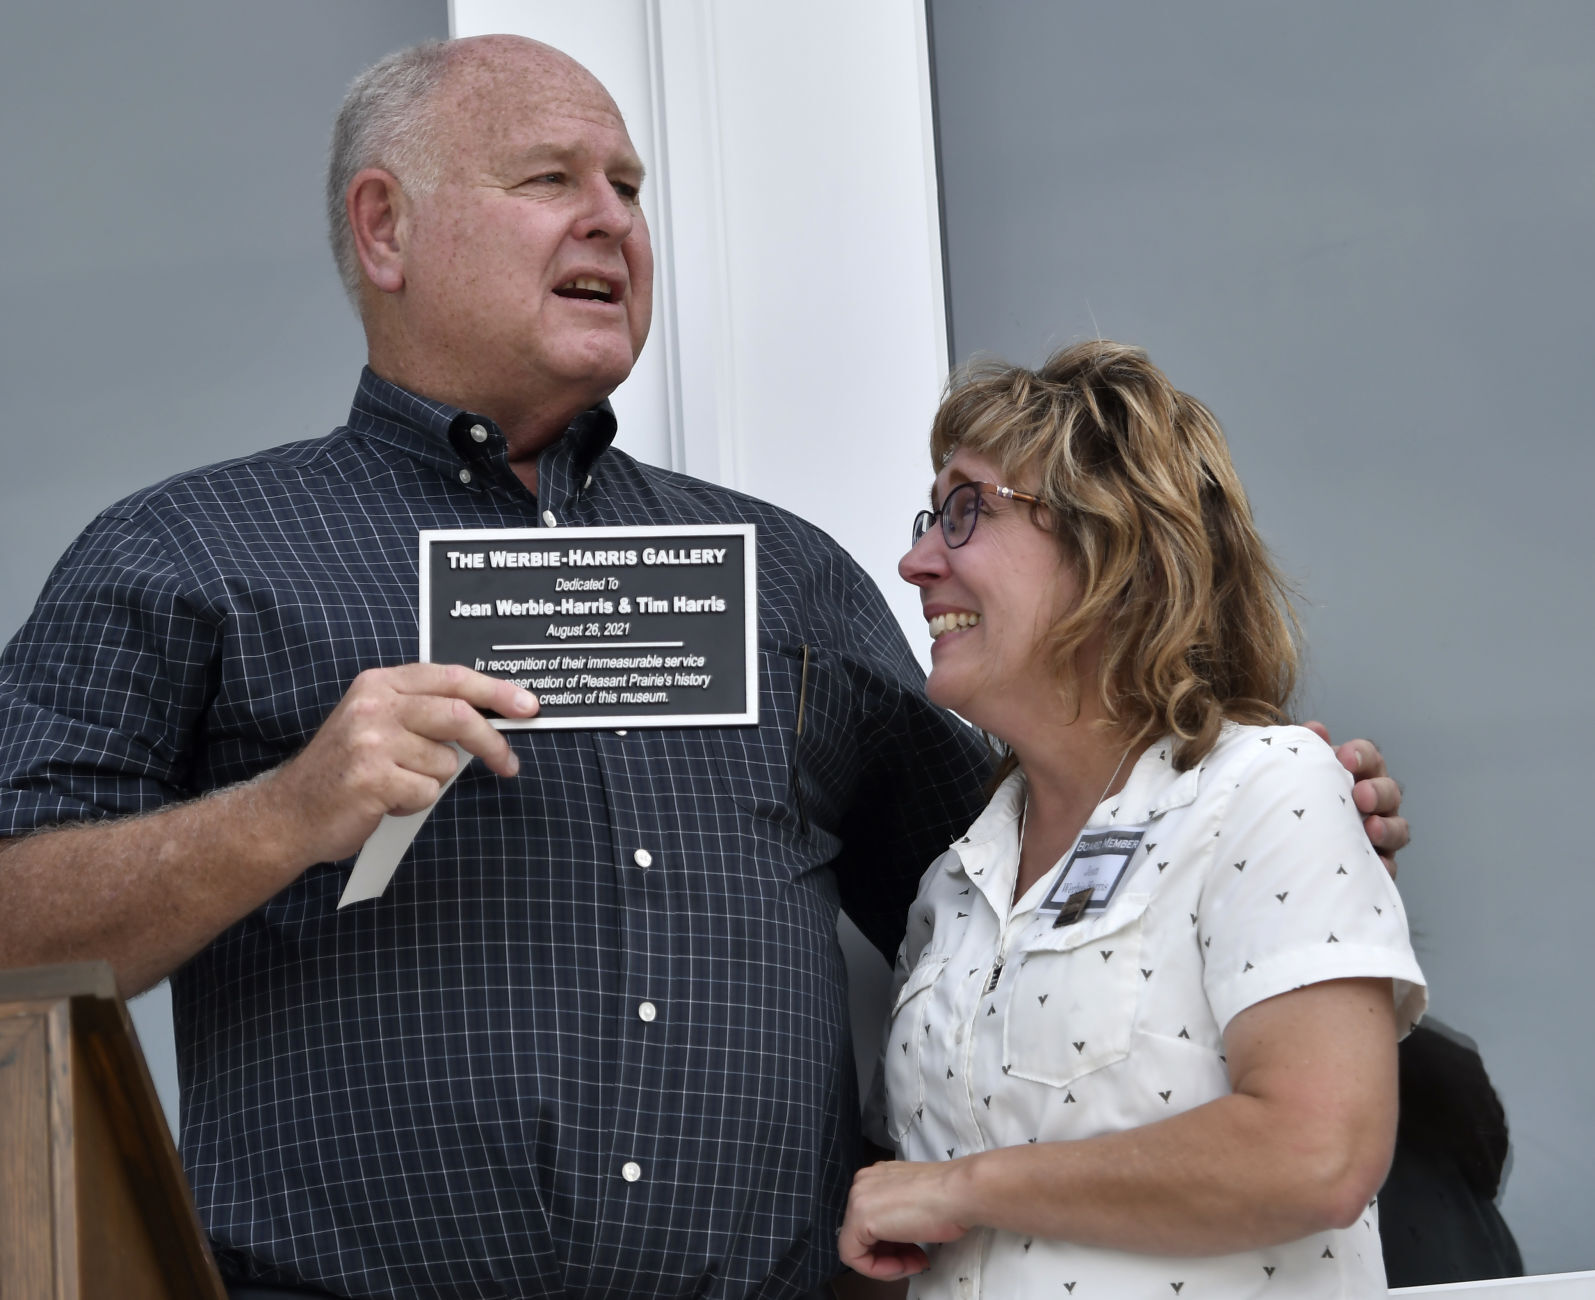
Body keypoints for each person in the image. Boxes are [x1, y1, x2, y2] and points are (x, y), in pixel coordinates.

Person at [0, 36, 1407, 1300]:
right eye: (548, 177)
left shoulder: (779, 574)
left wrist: (1240, 812)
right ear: (385, 228)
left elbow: (1006, 891)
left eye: (628, 183)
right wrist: (284, 810)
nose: (609, 217)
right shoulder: (189, 555)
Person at [838, 341, 1426, 1298]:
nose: (913, 561)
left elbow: (1315, 1154)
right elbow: (901, 1225)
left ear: (1110, 546)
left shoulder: (1265, 788)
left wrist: (966, 1187)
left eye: (965, 510)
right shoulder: (954, 883)